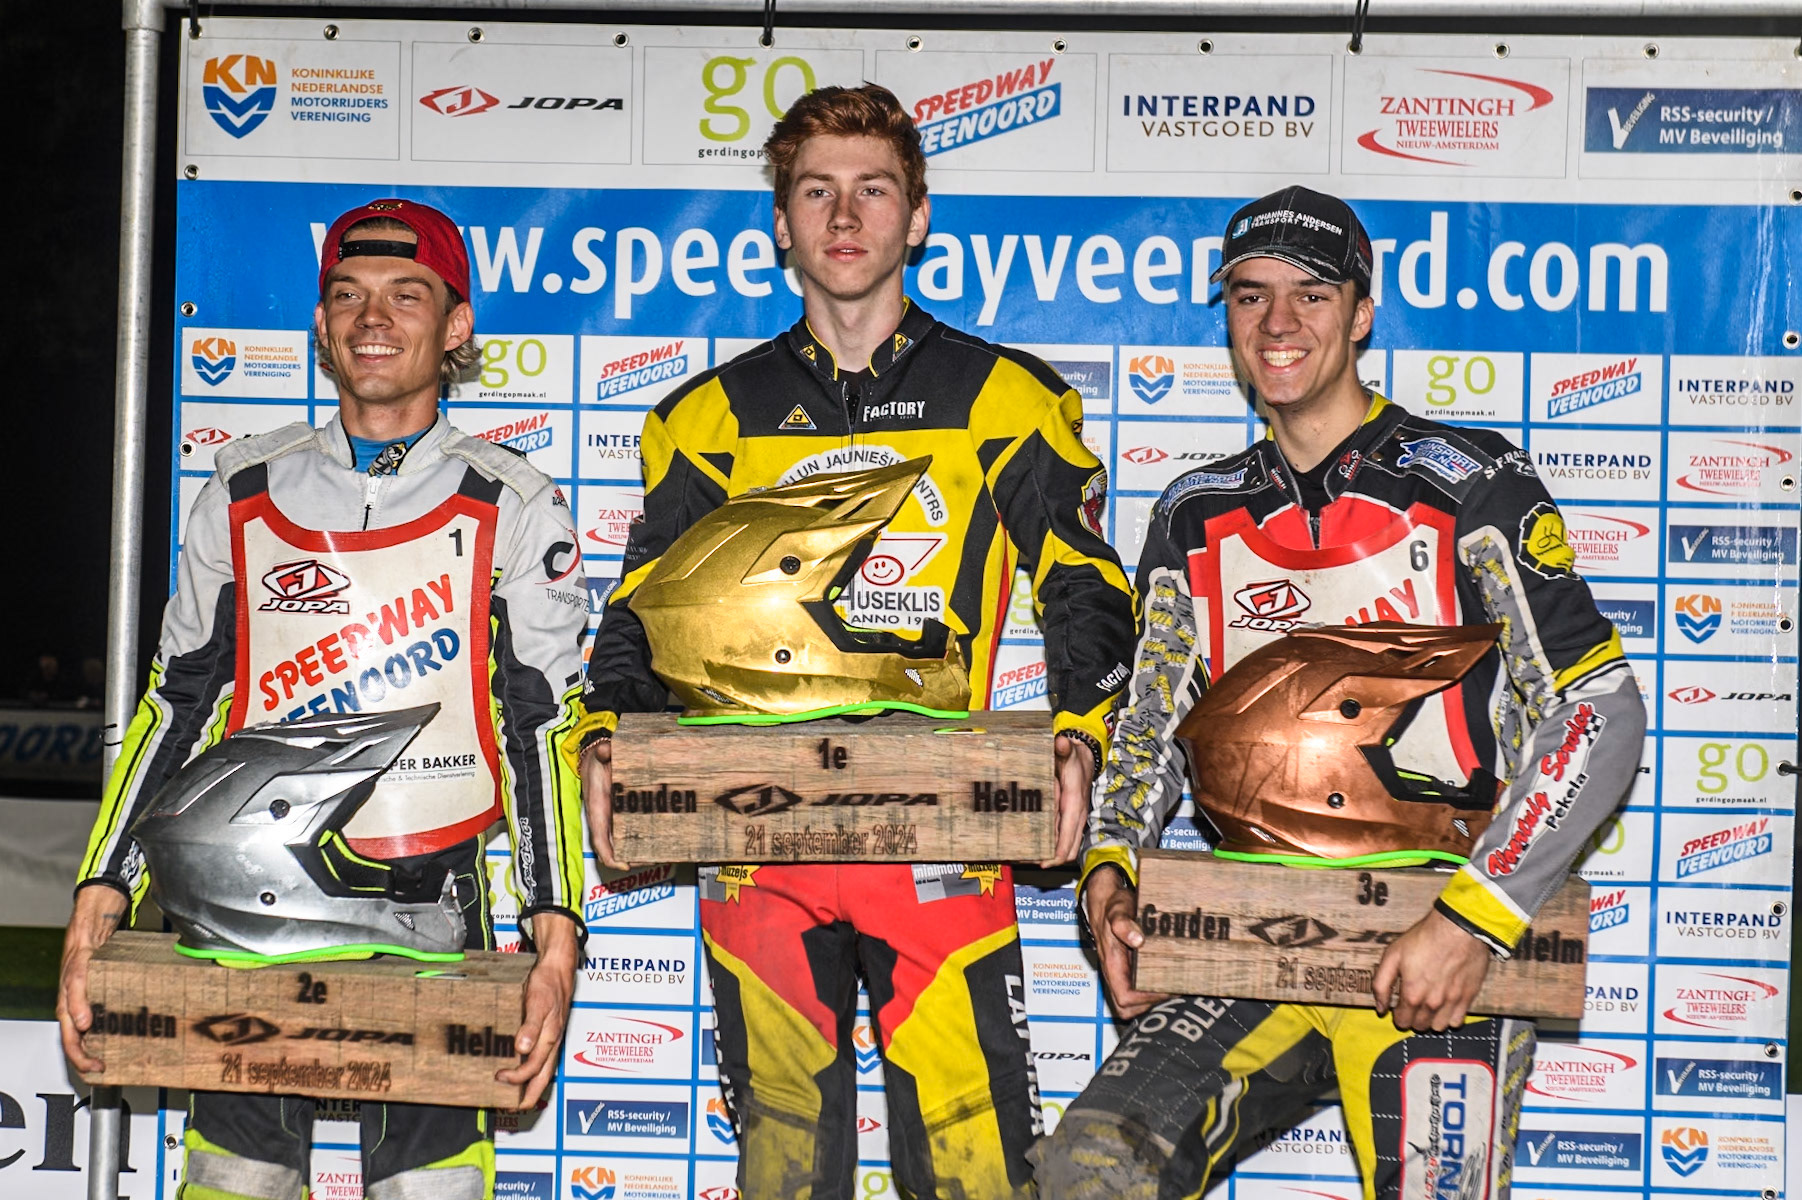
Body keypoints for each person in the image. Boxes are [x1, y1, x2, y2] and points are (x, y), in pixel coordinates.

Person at [568, 84, 1137, 1199]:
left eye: (871, 190)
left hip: (941, 831)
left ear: (915, 217)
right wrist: (605, 735)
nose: (843, 215)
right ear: (779, 223)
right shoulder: (703, 416)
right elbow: (639, 608)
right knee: (783, 1170)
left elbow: (1080, 587)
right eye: (814, 191)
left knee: (975, 1172)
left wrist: (1078, 734)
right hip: (754, 832)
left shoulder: (1006, 397)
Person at [1032, 186, 1646, 1200]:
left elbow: (1596, 711)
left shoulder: (1467, 484)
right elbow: (1143, 734)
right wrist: (1108, 872)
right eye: (1248, 295)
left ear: (1361, 312)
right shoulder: (1194, 514)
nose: (1277, 324)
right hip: (1254, 932)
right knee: (1088, 1170)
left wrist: (1474, 916)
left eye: (1310, 295)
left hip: (1435, 930)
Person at [58, 199, 590, 1200]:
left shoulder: (509, 502)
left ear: (456, 326)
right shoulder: (244, 491)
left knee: (429, 1193)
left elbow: (541, 732)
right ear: (320, 324)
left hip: (431, 905)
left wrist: (554, 928)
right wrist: (103, 888)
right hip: (238, 908)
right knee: (233, 1183)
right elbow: (177, 707)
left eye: (405, 295)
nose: (372, 319)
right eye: (347, 297)